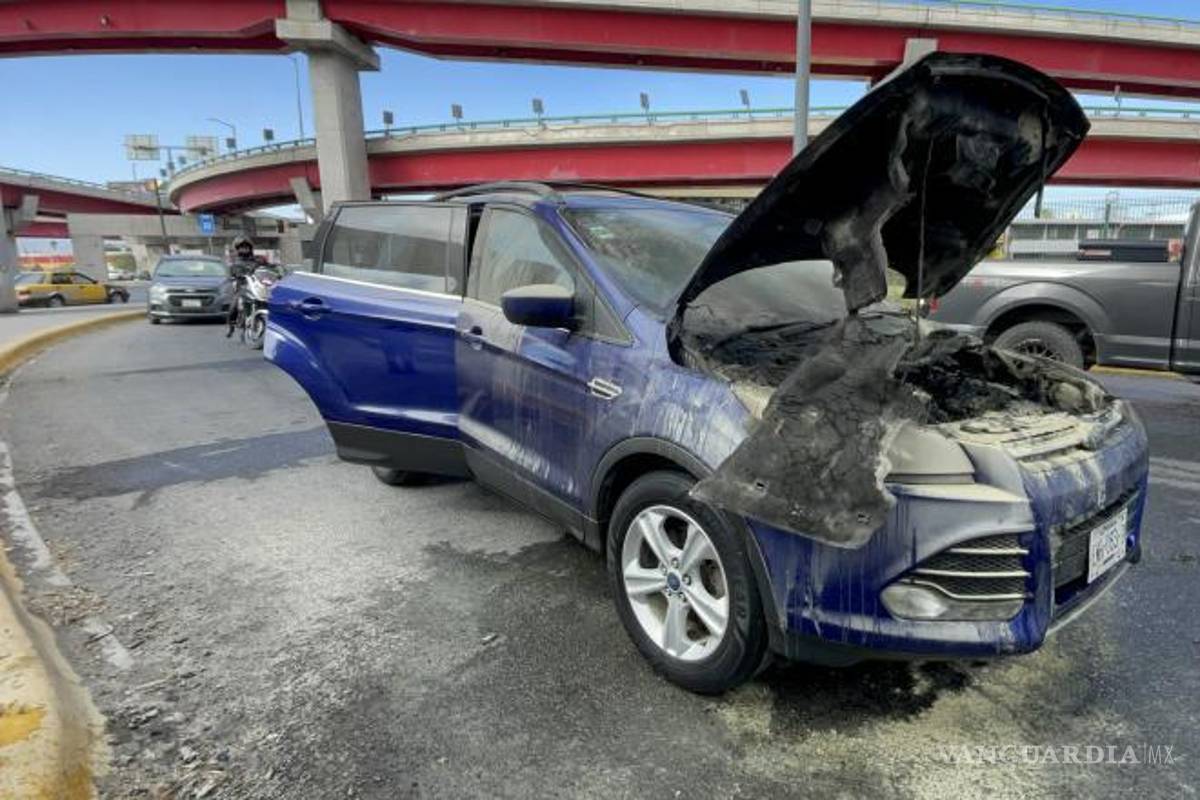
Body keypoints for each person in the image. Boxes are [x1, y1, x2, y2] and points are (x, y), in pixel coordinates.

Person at [226, 236, 259, 337]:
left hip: (256, 287)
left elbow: (265, 268)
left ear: (250, 249)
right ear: (238, 249)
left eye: (246, 247)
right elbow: (231, 273)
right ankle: (231, 326)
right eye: (242, 247)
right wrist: (233, 276)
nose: (244, 249)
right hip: (242, 287)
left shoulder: (256, 261)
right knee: (234, 305)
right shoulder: (235, 262)